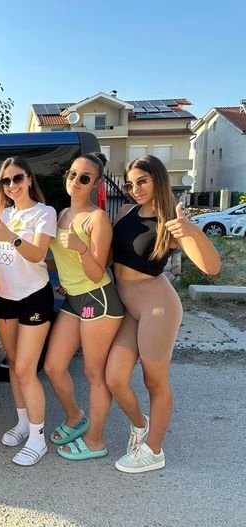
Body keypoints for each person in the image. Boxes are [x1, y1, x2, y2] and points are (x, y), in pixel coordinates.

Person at [106, 155, 221, 473]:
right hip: (128, 306)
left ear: (158, 179)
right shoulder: (126, 211)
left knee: (154, 380)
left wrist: (191, 231)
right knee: (114, 378)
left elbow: (212, 267)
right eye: (130, 184)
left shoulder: (172, 222)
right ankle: (140, 424)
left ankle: (154, 450)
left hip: (157, 306)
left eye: (142, 181)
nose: (135, 189)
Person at [43, 153, 124, 461]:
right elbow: (58, 259)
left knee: (93, 373)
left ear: (96, 183)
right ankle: (76, 417)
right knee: (53, 366)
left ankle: (95, 441)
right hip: (73, 298)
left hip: (97, 299)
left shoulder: (97, 218)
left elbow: (96, 271)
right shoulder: (63, 213)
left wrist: (80, 249)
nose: (75, 181)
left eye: (84, 178)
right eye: (72, 174)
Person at [0, 157, 57, 466]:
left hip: (33, 298)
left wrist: (12, 237)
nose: (11, 185)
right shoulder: (4, 213)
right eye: (5, 181)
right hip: (4, 297)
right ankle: (22, 424)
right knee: (14, 365)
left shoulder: (44, 212)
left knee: (26, 370)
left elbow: (38, 253)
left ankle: (38, 438)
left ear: (29, 179)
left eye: (17, 178)